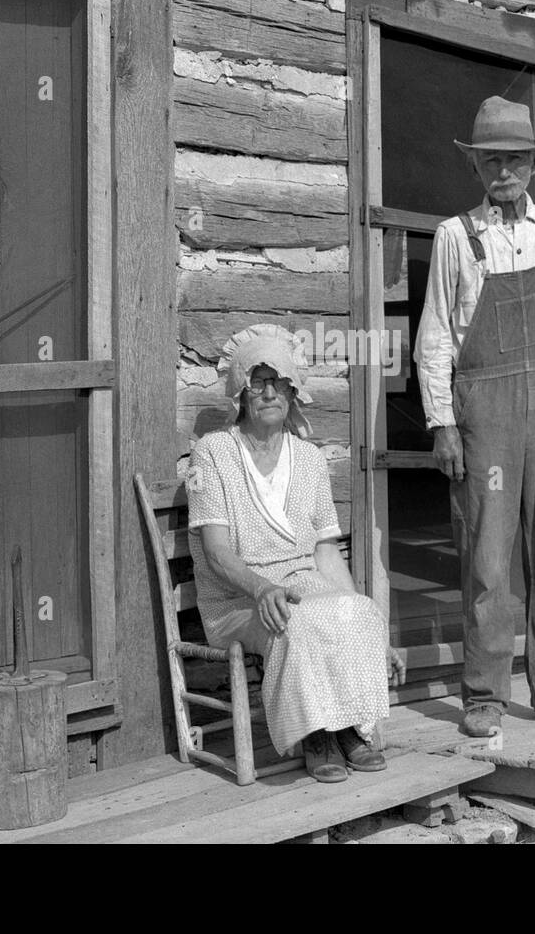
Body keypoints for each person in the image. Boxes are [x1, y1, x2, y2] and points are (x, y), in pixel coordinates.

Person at [414, 95, 535, 737]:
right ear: (477, 168)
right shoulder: (455, 237)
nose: (504, 171)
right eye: (492, 160)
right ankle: (485, 694)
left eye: (516, 160)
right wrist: (441, 422)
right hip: (484, 410)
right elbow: (435, 339)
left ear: (533, 165)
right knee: (488, 555)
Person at [186, 324, 402, 783]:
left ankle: (348, 729)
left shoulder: (308, 459)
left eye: (279, 382)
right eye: (258, 382)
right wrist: (263, 588)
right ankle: (316, 736)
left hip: (302, 585)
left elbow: (325, 551)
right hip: (239, 598)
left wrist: (363, 615)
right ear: (241, 394)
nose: (269, 392)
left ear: (292, 391)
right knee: (298, 621)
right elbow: (218, 553)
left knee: (359, 613)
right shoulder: (214, 454)